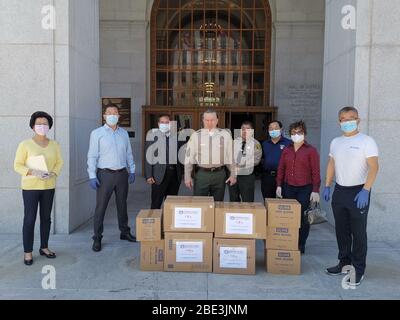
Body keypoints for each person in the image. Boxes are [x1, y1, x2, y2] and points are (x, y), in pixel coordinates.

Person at [324, 106, 379, 286]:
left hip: (359, 192)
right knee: (342, 231)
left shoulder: (366, 141)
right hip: (340, 190)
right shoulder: (336, 142)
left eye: (351, 118)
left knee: (358, 233)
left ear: (358, 120)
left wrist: (366, 189)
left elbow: (374, 166)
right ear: (339, 121)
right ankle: (344, 263)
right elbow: (331, 163)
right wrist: (326, 185)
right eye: (344, 119)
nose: (347, 122)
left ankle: (358, 269)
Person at [14, 111, 64, 266]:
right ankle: (27, 252)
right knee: (29, 219)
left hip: (48, 186)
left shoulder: (54, 144)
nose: (42, 126)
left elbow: (59, 162)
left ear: (49, 126)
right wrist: (32, 171)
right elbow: (17, 165)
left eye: (45, 124)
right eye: (39, 124)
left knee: (46, 218)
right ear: (33, 126)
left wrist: (53, 173)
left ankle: (44, 247)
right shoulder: (25, 144)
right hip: (30, 187)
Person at [87, 104, 136, 252]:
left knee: (122, 204)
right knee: (101, 207)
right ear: (104, 116)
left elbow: (128, 153)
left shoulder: (123, 134)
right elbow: (92, 155)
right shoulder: (97, 133)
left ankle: (125, 232)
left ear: (119, 115)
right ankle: (97, 237)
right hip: (105, 174)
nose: (112, 115)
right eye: (109, 113)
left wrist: (132, 170)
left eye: (115, 112)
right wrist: (92, 175)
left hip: (122, 174)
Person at [276, 120, 320, 254]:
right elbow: (281, 168)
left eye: (299, 132)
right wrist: (279, 185)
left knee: (303, 218)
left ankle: (301, 244)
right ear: (290, 134)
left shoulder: (311, 151)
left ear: (304, 133)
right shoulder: (287, 150)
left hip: (305, 188)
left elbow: (315, 171)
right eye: (293, 133)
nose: (296, 135)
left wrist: (315, 190)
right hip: (288, 187)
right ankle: (290, 242)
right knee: (289, 217)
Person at [184, 109, 236, 201]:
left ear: (217, 120)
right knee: (199, 203)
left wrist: (233, 174)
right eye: (207, 120)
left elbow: (231, 156)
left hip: (220, 175)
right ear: (203, 120)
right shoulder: (195, 136)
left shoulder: (225, 135)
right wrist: (187, 176)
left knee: (218, 204)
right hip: (202, 175)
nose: (209, 122)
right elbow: (189, 158)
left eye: (212, 120)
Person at [145, 114, 183, 209]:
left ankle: (168, 223)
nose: (165, 124)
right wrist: (149, 175)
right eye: (162, 122)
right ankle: (155, 223)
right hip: (158, 175)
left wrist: (182, 173)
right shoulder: (152, 137)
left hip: (174, 175)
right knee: (156, 203)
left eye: (167, 122)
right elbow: (148, 157)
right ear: (158, 124)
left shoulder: (177, 137)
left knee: (171, 204)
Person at [229, 121, 262, 202]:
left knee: (248, 201)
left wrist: (241, 165)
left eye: (248, 129)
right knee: (233, 200)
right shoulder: (234, 142)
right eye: (243, 129)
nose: (245, 131)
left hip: (247, 176)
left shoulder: (256, 144)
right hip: (233, 175)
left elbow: (256, 160)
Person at [261, 120, 291, 199]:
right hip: (268, 177)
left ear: (281, 129)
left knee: (283, 203)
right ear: (268, 131)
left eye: (276, 128)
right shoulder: (264, 144)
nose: (273, 130)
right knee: (268, 202)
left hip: (284, 178)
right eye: (271, 128)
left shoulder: (289, 143)